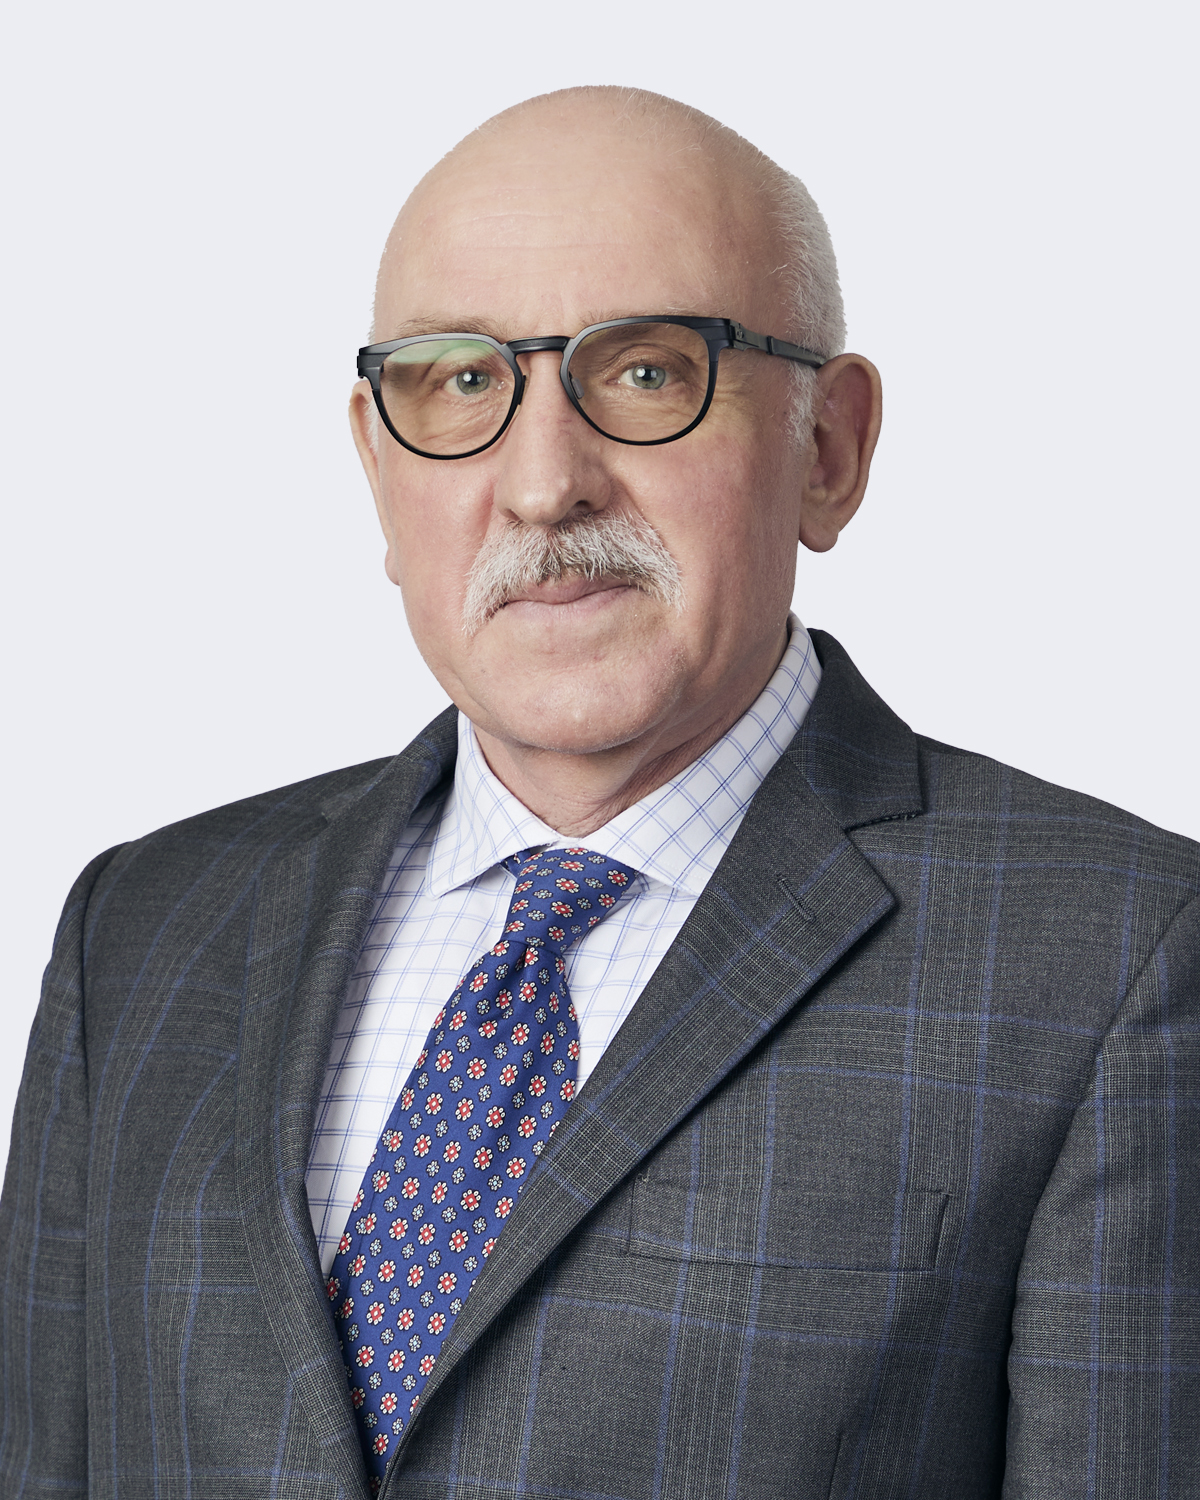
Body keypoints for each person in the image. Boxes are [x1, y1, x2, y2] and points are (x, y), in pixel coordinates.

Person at [2, 86, 1196, 1500]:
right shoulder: (142, 928)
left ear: (829, 447)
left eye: (644, 373)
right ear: (377, 467)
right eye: (459, 383)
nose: (543, 485)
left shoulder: (1119, 959)